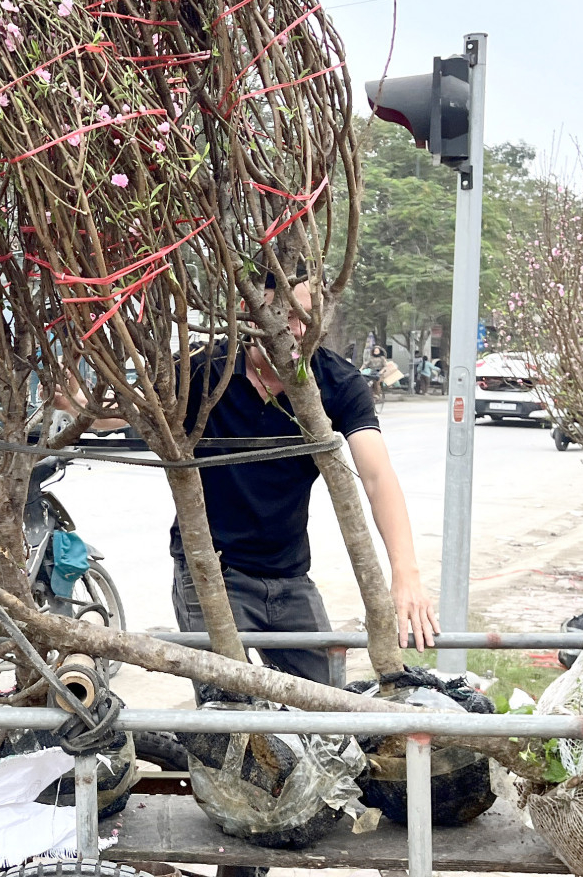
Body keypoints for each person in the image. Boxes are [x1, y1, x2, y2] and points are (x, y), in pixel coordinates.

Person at [171, 272, 438, 689]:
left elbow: (376, 476)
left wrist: (406, 573)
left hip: (289, 573)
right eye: (283, 315)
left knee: (326, 706)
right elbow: (120, 413)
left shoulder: (335, 380)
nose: (295, 331)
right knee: (229, 712)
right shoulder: (203, 370)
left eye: (307, 318)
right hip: (212, 570)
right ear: (249, 313)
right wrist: (78, 401)